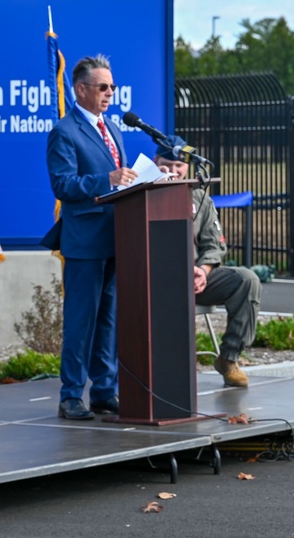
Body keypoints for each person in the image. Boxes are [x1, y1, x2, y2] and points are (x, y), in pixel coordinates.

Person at [44, 55, 138, 420]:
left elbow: (121, 177)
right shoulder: (65, 132)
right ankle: (70, 396)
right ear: (80, 89)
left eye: (112, 87)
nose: (109, 93)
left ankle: (104, 391)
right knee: (81, 320)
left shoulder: (112, 128)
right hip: (85, 241)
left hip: (118, 236)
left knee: (109, 320)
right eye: (103, 87)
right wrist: (108, 180)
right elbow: (63, 184)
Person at [154, 136, 261, 387]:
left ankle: (229, 358)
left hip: (196, 279)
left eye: (178, 166)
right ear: (154, 161)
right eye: (165, 165)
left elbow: (214, 244)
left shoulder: (199, 196)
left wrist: (203, 270)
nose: (172, 171)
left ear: (188, 167)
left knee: (247, 280)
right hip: (157, 281)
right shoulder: (141, 192)